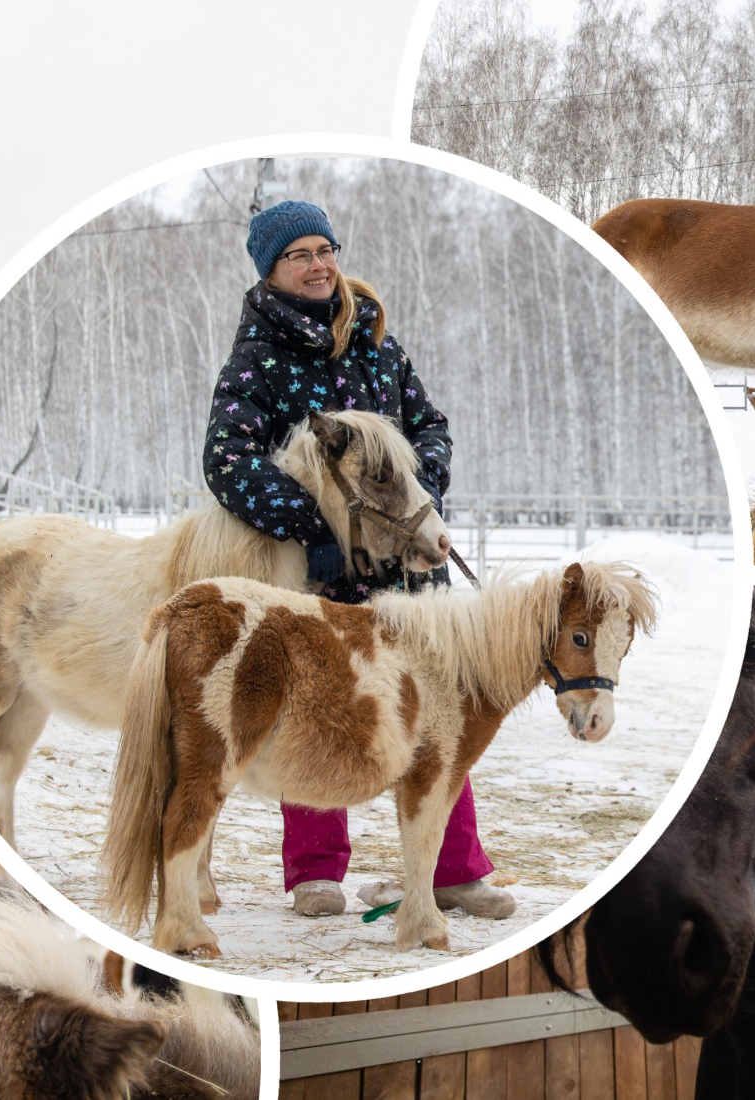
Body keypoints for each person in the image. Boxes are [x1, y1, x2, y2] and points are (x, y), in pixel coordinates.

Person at [202, 199, 514, 921]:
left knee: (440, 715)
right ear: (272, 270)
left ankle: (452, 869)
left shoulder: (377, 343)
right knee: (321, 714)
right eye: (298, 255)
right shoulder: (257, 360)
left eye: (324, 249)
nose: (318, 265)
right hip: (322, 574)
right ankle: (315, 871)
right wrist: (317, 524)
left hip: (410, 565)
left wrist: (418, 487)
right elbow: (228, 460)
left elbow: (429, 425)